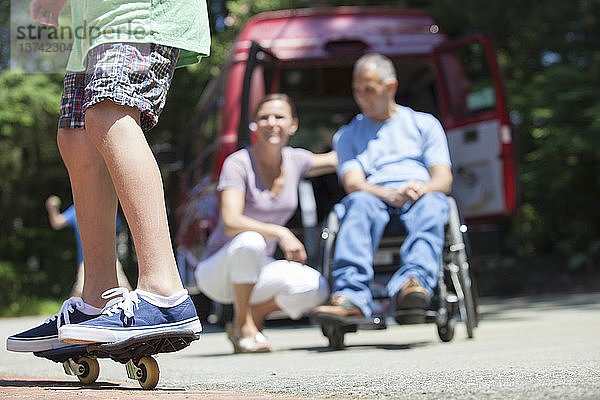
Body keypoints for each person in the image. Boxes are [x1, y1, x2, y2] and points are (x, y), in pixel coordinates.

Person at [7, 0, 210, 352]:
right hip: (91, 19)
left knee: (108, 112)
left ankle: (165, 294)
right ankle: (96, 302)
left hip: (135, 9)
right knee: (76, 138)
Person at [313, 53, 453, 320]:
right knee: (357, 202)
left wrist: (421, 189)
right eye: (357, 90)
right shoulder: (347, 135)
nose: (361, 97)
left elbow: (443, 179)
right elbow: (353, 183)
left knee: (436, 202)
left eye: (369, 90)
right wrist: (388, 193)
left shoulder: (424, 125)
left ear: (391, 87)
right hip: (373, 198)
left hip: (418, 196)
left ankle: (413, 282)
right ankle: (351, 296)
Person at [193, 94, 335, 353]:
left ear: (293, 125)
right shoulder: (238, 163)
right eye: (264, 117)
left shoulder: (296, 160)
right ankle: (244, 327)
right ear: (254, 125)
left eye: (279, 117)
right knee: (251, 240)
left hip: (257, 269)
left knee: (316, 287)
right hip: (218, 270)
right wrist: (281, 233)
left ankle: (248, 317)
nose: (272, 123)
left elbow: (336, 159)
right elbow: (231, 221)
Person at [45, 195, 132, 297]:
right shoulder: (76, 209)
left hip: (110, 258)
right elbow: (57, 223)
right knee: (80, 291)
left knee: (125, 288)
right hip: (86, 260)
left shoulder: (105, 207)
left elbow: (116, 229)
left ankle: (137, 310)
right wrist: (52, 209)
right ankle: (73, 312)